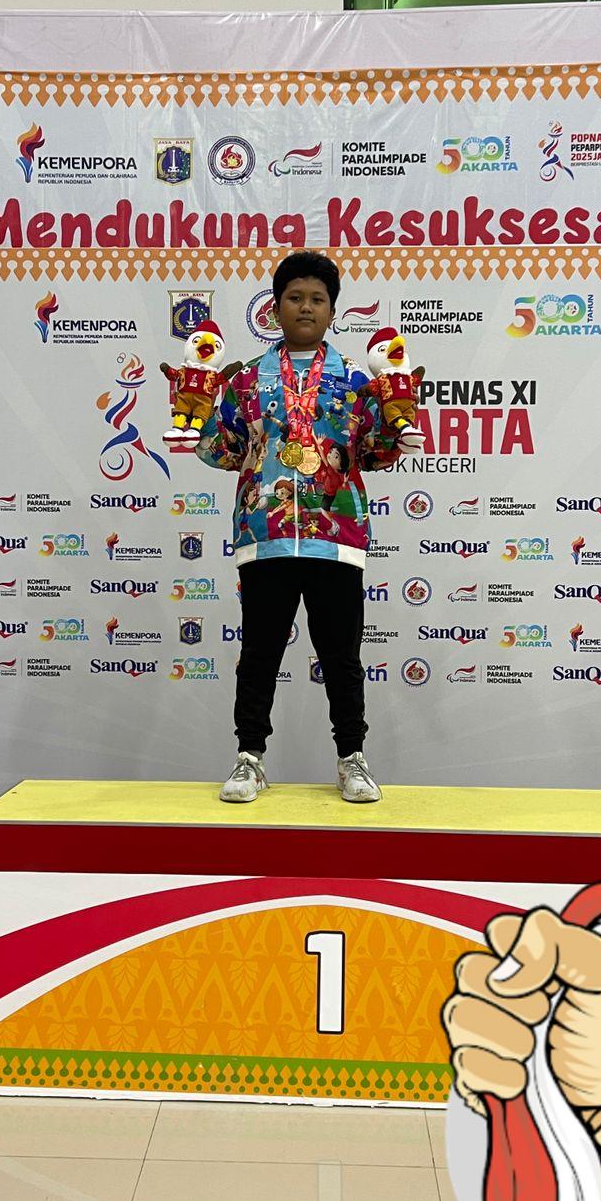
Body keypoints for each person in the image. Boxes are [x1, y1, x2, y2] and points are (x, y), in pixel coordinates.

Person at [194, 250, 415, 804]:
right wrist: (195, 418)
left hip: (335, 536)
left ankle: (352, 759)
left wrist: (400, 428)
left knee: (341, 655)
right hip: (264, 535)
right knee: (259, 653)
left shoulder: (359, 380)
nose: (306, 307)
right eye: (295, 297)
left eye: (318, 298)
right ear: (275, 308)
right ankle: (249, 758)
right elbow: (222, 450)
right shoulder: (245, 380)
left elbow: (374, 451)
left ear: (333, 311)